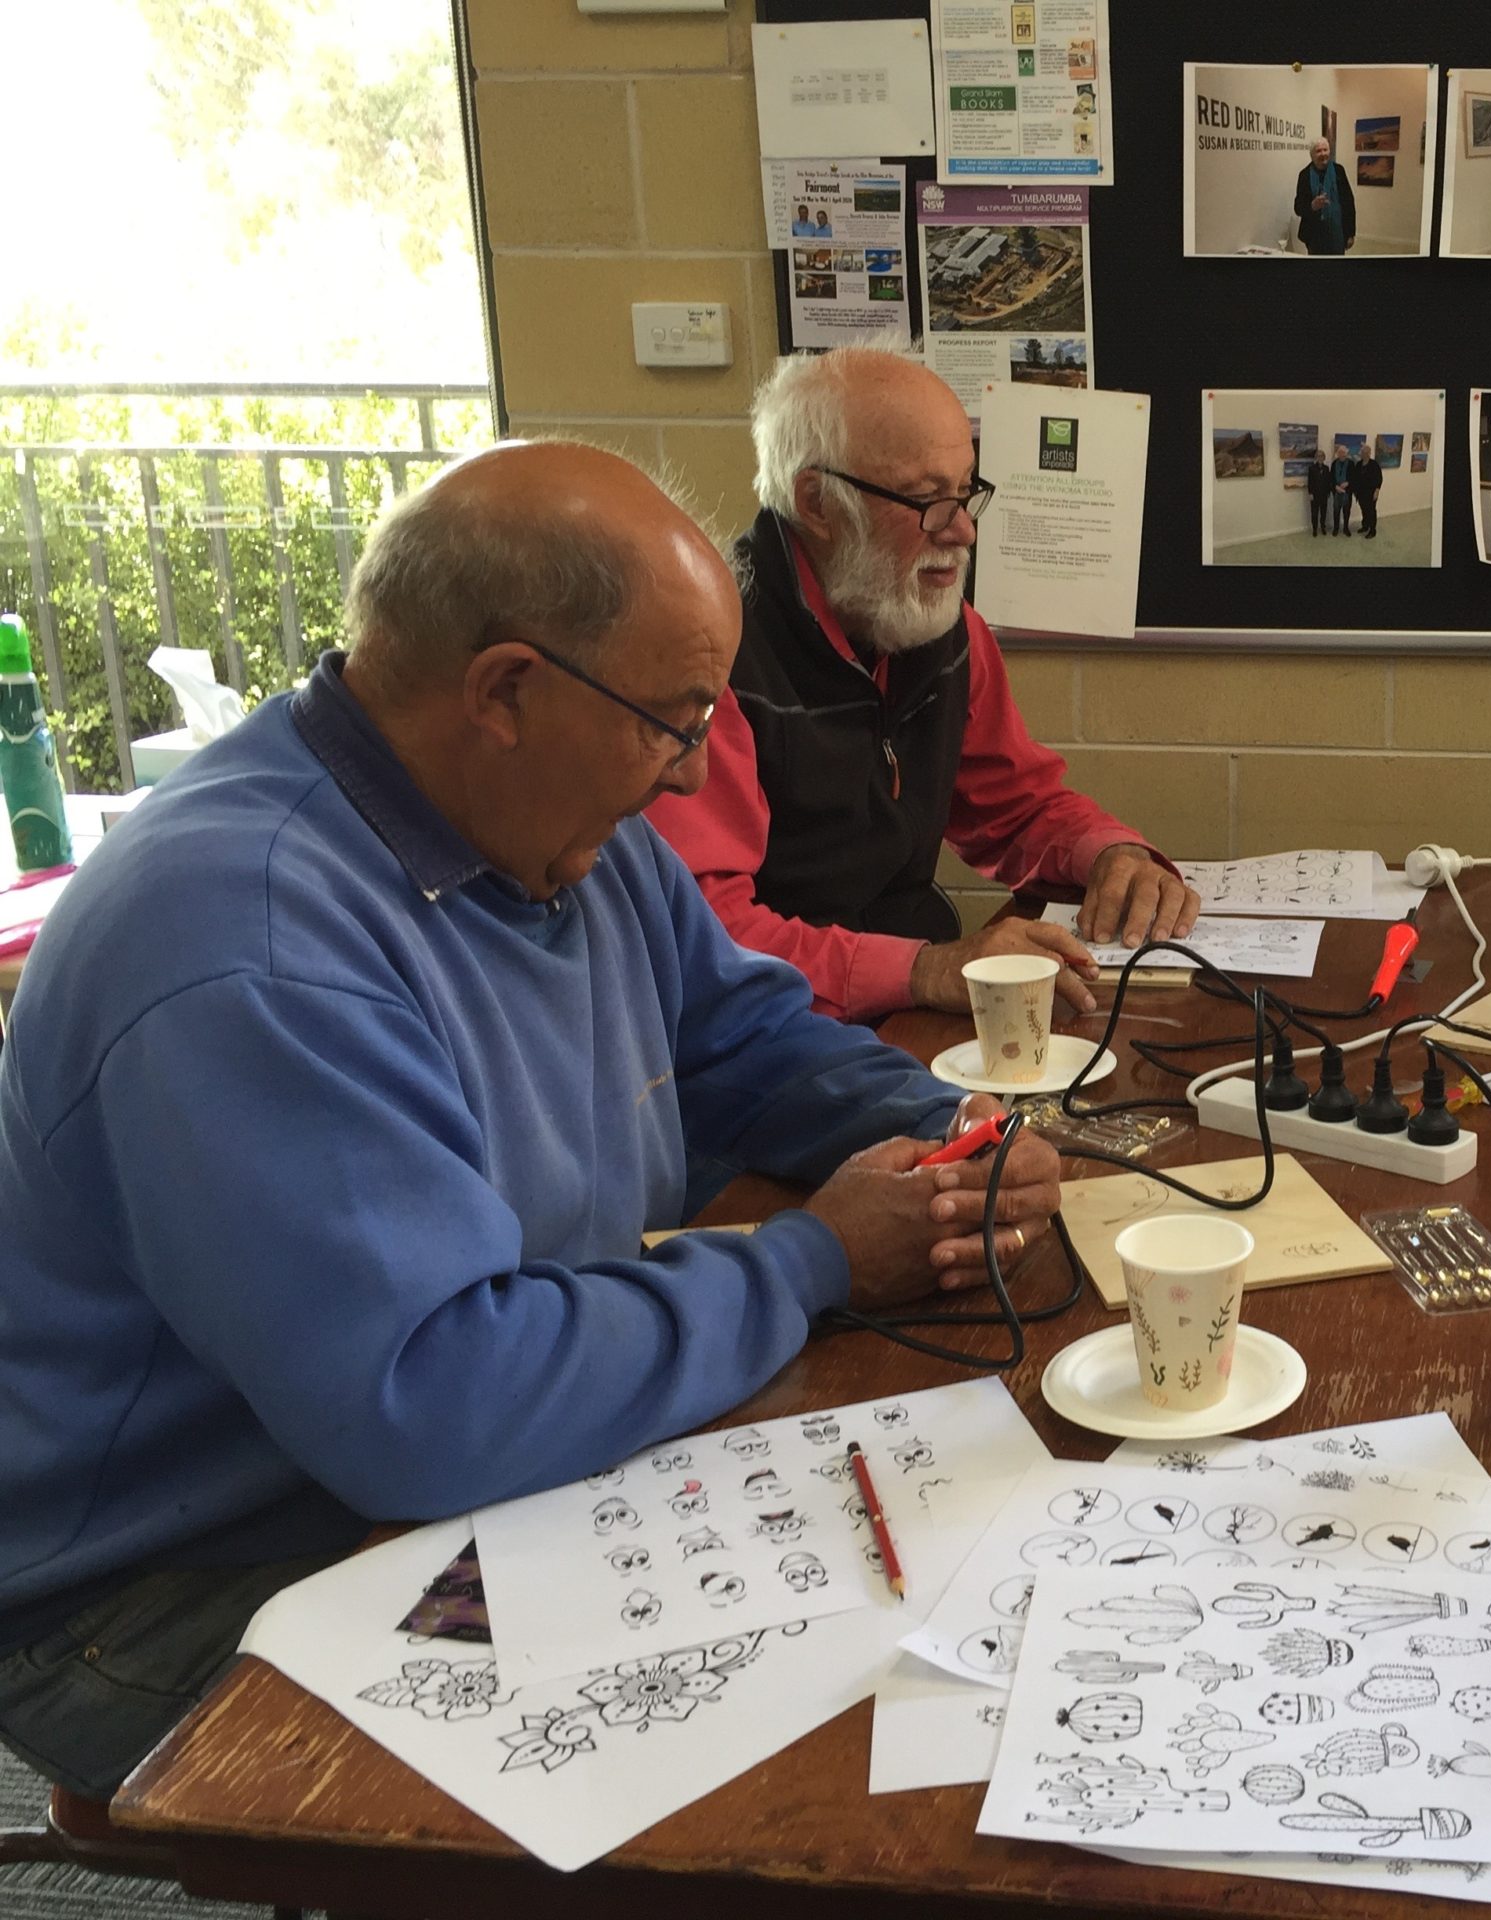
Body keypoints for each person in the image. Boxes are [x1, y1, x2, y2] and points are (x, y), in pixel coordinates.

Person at [0, 443, 1064, 1800]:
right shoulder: (242, 938)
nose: (689, 779)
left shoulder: (569, 835)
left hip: (436, 1472)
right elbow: (434, 1402)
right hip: (181, 1580)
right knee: (766, 1763)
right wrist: (821, 1260)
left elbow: (741, 1038)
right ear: (506, 691)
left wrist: (946, 1120)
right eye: (676, 722)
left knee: (904, 1620)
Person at [647, 348, 1200, 1028]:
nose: (963, 529)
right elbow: (706, 936)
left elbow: (1017, 809)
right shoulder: (713, 660)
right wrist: (928, 968)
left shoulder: (944, 631)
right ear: (816, 501)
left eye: (966, 491)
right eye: (927, 499)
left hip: (900, 1003)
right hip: (764, 1033)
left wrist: (1114, 854)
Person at [1293, 136, 1355, 257]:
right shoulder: (1304, 175)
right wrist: (1312, 206)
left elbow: (1349, 203)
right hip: (1314, 236)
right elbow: (1298, 208)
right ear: (1312, 155)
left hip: (1337, 233)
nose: (1323, 154)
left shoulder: (1339, 171)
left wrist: (1350, 233)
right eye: (1318, 151)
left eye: (1325, 150)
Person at [1348, 439, 1384, 539]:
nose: (1362, 454)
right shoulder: (1359, 464)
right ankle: (1365, 526)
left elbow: (1379, 479)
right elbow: (1355, 478)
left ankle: (1372, 530)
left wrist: (1377, 491)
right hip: (1361, 493)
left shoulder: (1374, 465)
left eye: (1364, 452)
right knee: (1364, 510)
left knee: (1371, 511)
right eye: (1362, 452)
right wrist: (1355, 491)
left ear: (1369, 453)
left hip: (1371, 493)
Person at [1304, 442, 1336, 537]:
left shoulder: (1326, 468)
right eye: (1318, 456)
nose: (1320, 457)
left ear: (1324, 457)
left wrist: (1329, 492)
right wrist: (1310, 493)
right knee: (1314, 513)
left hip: (1324, 495)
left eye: (1322, 456)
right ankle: (1314, 529)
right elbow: (1310, 482)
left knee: (1323, 512)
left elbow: (1328, 481)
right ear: (1316, 457)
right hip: (1314, 495)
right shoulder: (1312, 468)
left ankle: (1322, 527)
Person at [1328, 442, 1355, 535]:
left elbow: (1353, 478)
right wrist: (1335, 486)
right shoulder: (1334, 463)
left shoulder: (1351, 464)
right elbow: (1331, 478)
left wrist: (1347, 483)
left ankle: (1346, 528)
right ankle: (1336, 528)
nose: (1341, 454)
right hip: (1336, 492)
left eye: (1343, 452)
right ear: (1337, 453)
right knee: (1336, 511)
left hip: (1347, 492)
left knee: (1346, 511)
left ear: (1346, 453)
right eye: (1340, 452)